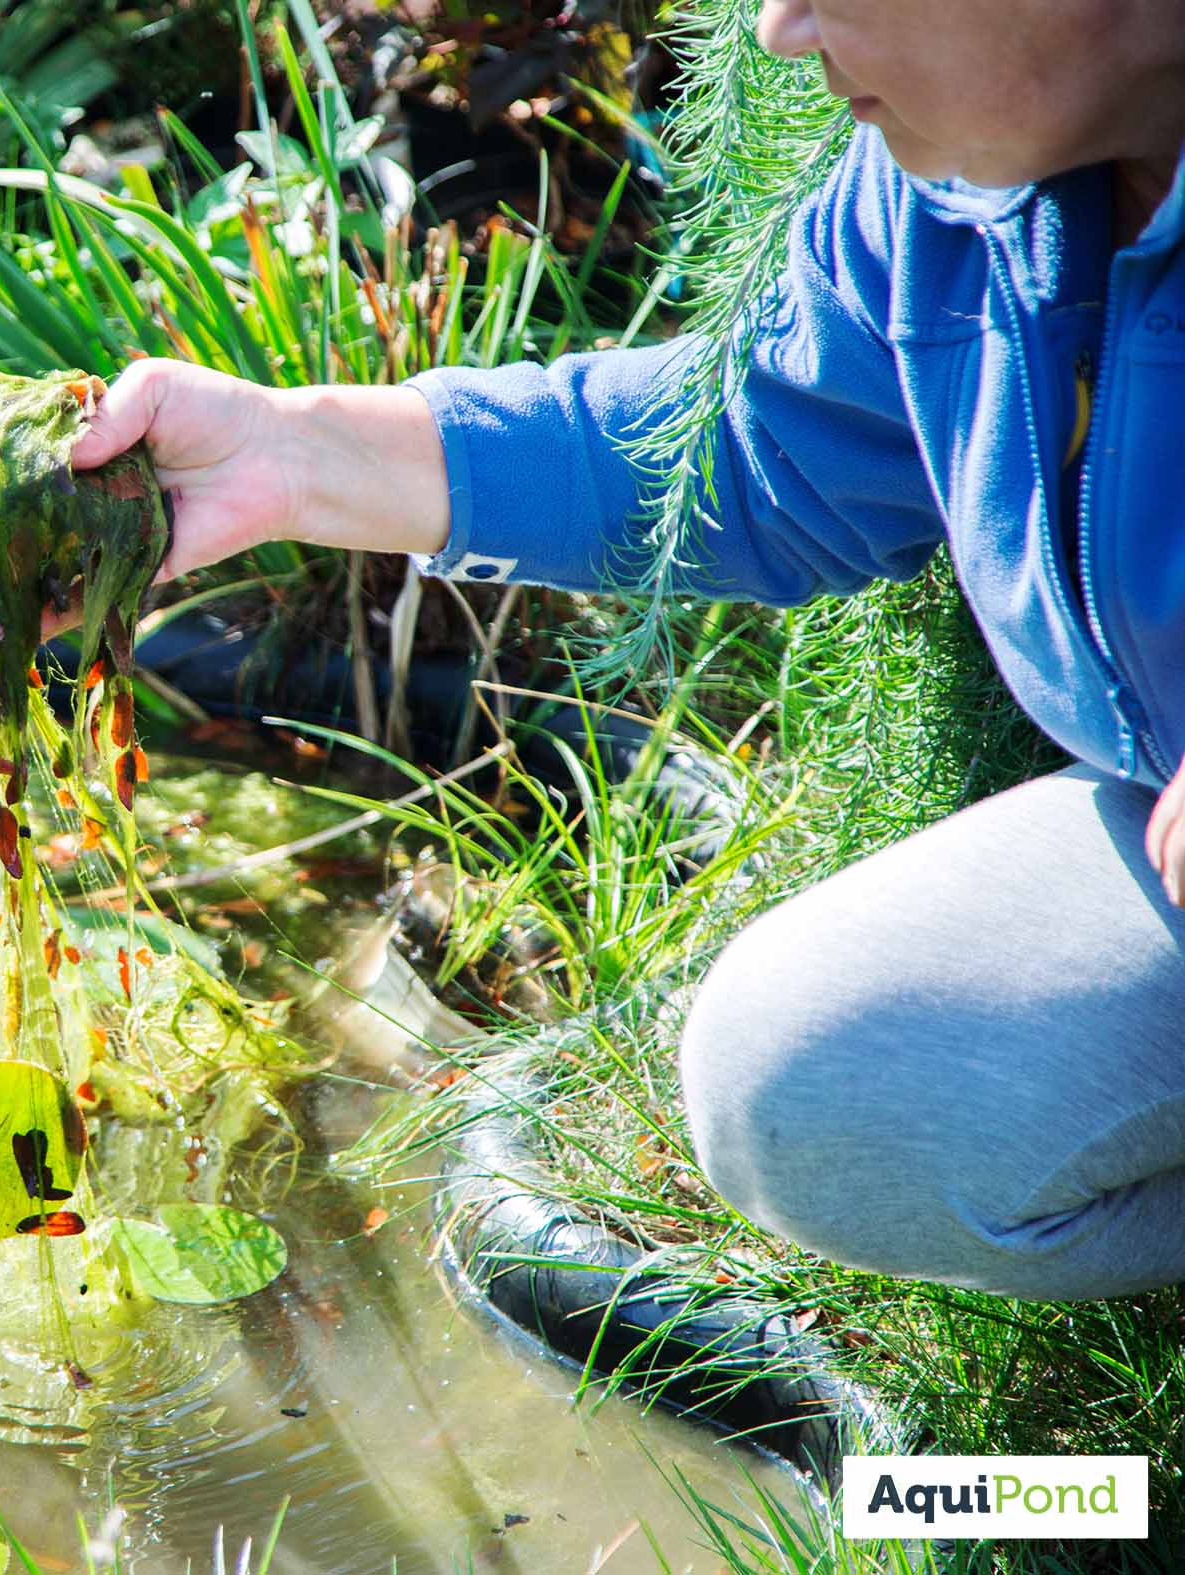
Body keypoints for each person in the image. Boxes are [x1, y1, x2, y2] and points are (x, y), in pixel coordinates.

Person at [68, 0, 1185, 1301]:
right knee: (815, 1087)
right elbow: (755, 458)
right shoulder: (959, 202)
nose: (776, 28)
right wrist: (295, 457)